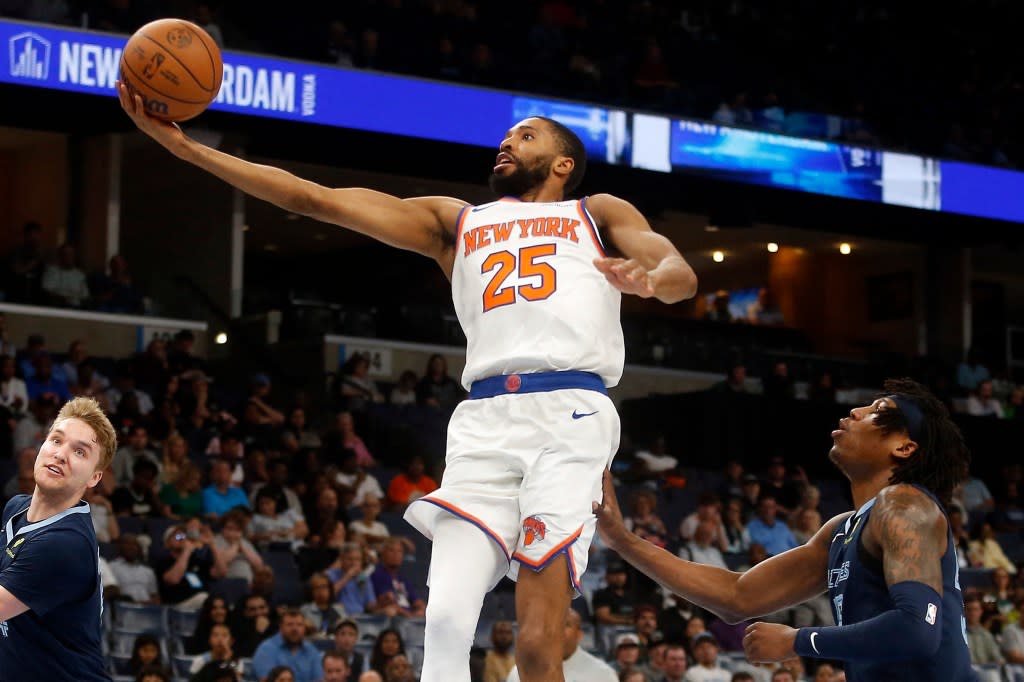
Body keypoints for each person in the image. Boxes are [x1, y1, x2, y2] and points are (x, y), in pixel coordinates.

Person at [120, 88, 697, 682]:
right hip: (484, 420)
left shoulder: (595, 212)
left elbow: (678, 269)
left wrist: (653, 280)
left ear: (562, 164)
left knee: (534, 643)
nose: (506, 141)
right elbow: (318, 199)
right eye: (506, 135)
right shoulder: (456, 222)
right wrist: (188, 150)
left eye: (525, 136)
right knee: (445, 623)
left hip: (571, 412)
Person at [594, 378, 976, 682]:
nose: (856, 411)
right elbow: (735, 596)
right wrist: (622, 540)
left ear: (905, 447)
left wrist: (798, 640)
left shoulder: (905, 505)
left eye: (878, 411)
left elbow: (917, 630)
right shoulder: (842, 530)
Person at [0, 396, 118, 680]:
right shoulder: (16, 507)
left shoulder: (65, 544)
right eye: (56, 440)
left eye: (80, 452)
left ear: (94, 477)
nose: (61, 454)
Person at [506, 608, 617, 681]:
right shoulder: (520, 672)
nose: (556, 630)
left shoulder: (603, 673)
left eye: (565, 624)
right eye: (551, 624)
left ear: (579, 634)